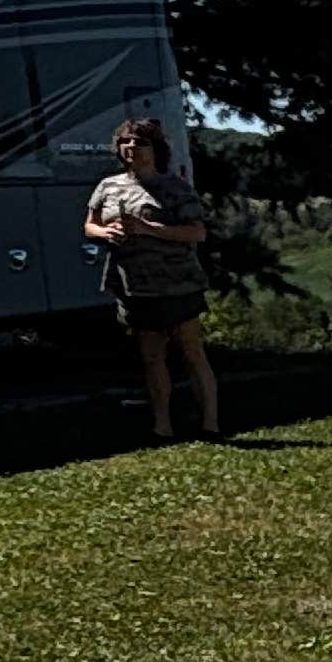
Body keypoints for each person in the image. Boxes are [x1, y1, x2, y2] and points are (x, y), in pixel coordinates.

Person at [84, 117, 219, 442]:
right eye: (125, 142)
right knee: (151, 355)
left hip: (177, 284)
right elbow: (89, 224)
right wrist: (106, 232)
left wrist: (148, 229)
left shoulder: (174, 188)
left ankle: (210, 423)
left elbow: (196, 232)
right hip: (134, 285)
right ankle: (162, 425)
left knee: (190, 351)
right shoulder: (108, 186)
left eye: (139, 142)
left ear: (155, 149)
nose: (131, 148)